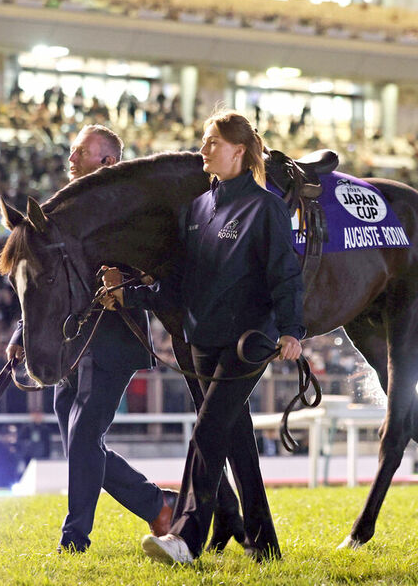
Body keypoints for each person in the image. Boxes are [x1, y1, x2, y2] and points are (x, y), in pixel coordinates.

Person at [107, 109, 304, 564]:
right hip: (202, 339)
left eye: (213, 142)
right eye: (204, 140)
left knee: (209, 429)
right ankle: (264, 545)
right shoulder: (196, 209)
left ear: (239, 150)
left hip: (248, 341)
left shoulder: (266, 206)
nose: (203, 149)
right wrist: (128, 296)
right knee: (234, 438)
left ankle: (186, 537)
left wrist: (292, 330)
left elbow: (286, 276)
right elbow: (175, 284)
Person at [5, 124, 176, 553]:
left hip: (112, 339)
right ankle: (158, 506)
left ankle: (74, 539)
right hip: (71, 342)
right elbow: (47, 284)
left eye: (80, 151)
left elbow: (150, 266)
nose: (70, 158)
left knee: (83, 440)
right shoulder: (66, 211)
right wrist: (24, 330)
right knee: (82, 444)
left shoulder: (131, 207)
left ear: (108, 162)